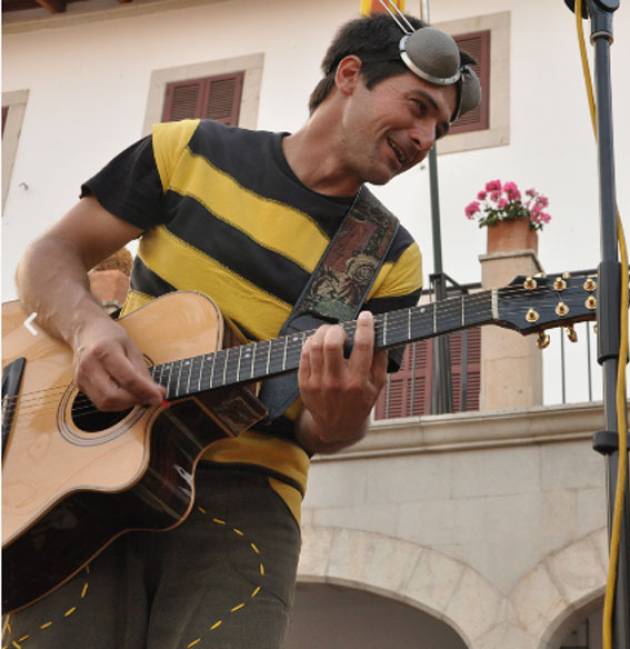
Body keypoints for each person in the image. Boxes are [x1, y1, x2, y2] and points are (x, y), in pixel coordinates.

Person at [6, 12, 479, 649]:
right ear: (349, 75)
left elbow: (322, 430)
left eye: (438, 129)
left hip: (249, 500)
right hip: (80, 482)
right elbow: (50, 257)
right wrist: (89, 328)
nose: (425, 138)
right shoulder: (186, 150)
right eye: (418, 107)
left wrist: (340, 415)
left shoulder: (389, 257)